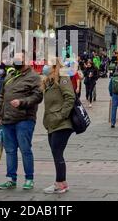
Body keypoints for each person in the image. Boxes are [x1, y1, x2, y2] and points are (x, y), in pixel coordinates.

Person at [0, 51, 43, 191]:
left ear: (26, 61)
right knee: (10, 150)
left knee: (25, 149)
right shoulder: (10, 76)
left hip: (24, 119)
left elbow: (38, 96)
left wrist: (22, 102)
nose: (15, 61)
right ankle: (11, 179)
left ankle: (29, 178)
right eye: (14, 59)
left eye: (18, 59)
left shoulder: (34, 77)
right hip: (7, 119)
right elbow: (2, 96)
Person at [41, 58, 75, 194]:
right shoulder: (49, 82)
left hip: (62, 124)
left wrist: (62, 115)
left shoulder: (63, 78)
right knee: (56, 154)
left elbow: (70, 97)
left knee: (57, 153)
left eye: (48, 64)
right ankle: (62, 183)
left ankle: (60, 184)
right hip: (52, 123)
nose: (45, 66)